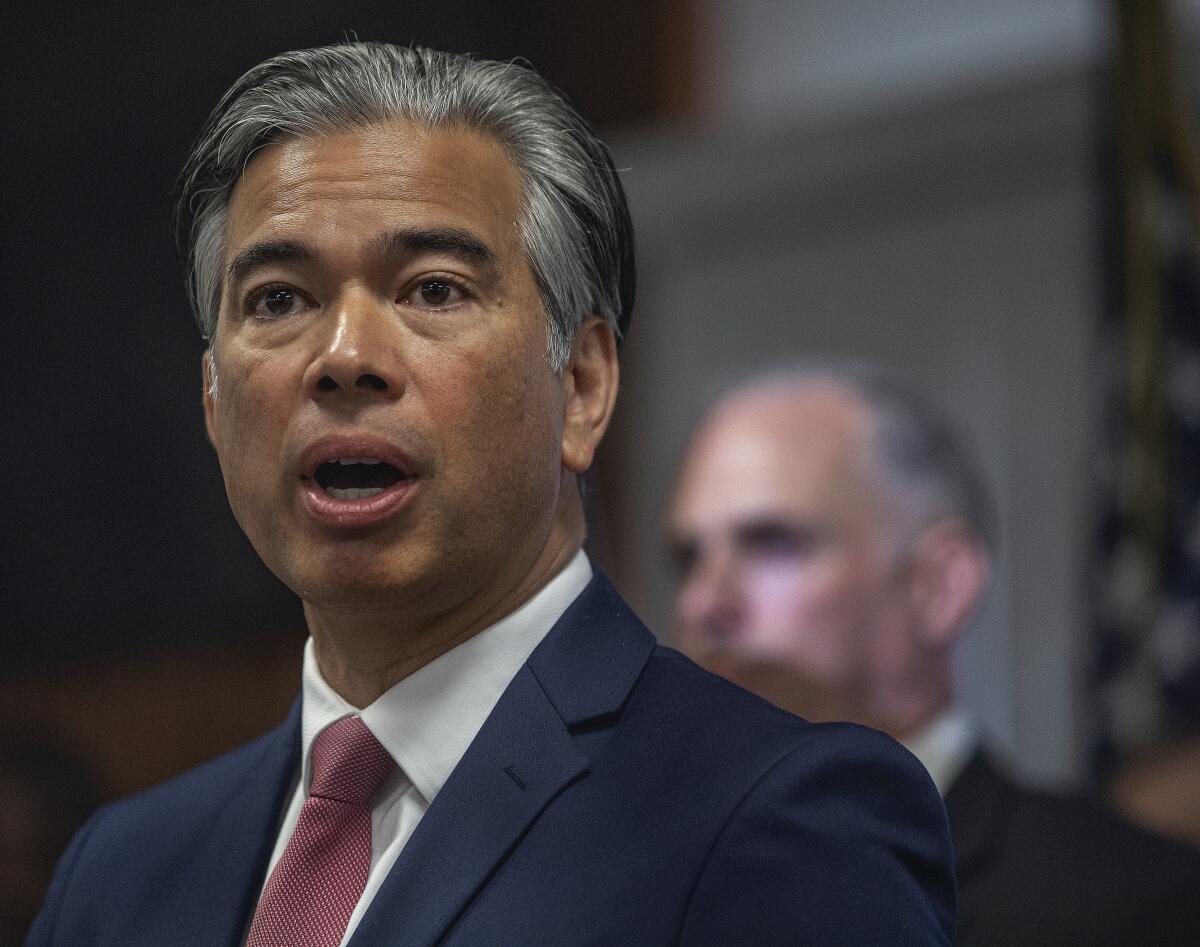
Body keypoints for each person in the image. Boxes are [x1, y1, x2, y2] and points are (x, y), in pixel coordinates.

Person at [26, 45, 953, 946]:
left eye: (433, 289)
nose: (343, 356)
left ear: (583, 387)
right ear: (214, 403)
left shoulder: (779, 819)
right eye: (278, 300)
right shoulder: (119, 871)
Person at [668, 367, 1200, 946]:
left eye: (772, 543)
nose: (702, 602)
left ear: (938, 586)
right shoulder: (651, 898)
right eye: (688, 557)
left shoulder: (1135, 904)